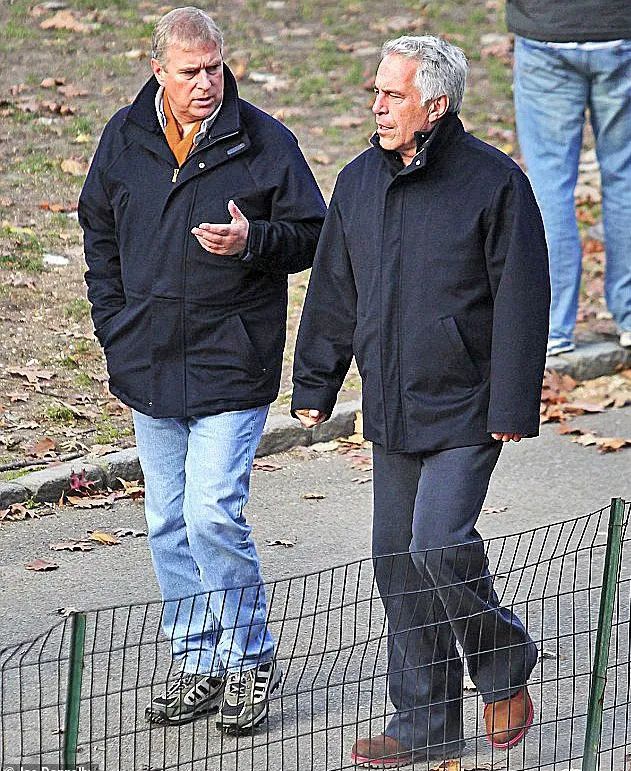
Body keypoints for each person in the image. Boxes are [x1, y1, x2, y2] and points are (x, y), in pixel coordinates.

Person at [292, 35, 550, 767]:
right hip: (392, 404)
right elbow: (334, 289)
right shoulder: (356, 182)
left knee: (437, 542)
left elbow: (522, 298)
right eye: (375, 92)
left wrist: (512, 404)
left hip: (468, 402)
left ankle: (502, 660)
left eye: (392, 94)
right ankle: (425, 721)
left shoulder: (494, 182)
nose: (376, 106)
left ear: (434, 105)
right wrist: (315, 382)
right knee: (396, 563)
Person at [79, 6, 325, 732]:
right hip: (148, 361)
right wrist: (114, 326)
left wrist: (255, 240)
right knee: (166, 522)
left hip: (232, 361)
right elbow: (98, 231)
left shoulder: (265, 142)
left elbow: (314, 235)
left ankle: (249, 659)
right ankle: (197, 660)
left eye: (215, 67)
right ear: (158, 70)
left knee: (211, 513)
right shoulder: (124, 138)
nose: (206, 83)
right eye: (189, 71)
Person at [507, 0, 631, 355]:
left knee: (549, 187)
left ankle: (552, 326)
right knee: (626, 177)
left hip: (546, 27)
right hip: (621, 27)